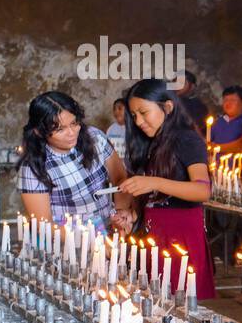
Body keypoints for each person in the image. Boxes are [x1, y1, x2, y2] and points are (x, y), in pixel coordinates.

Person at [114, 78, 215, 300]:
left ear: (167, 107)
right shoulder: (151, 143)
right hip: (154, 233)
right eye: (134, 115)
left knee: (178, 304)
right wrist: (132, 215)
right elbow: (156, 200)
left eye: (143, 112)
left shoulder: (186, 139)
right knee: (153, 302)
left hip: (181, 235)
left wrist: (154, 182)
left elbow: (202, 191)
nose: (138, 121)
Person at [19, 91, 129, 230]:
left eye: (74, 123)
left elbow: (120, 179)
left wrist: (120, 215)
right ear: (39, 131)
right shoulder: (33, 167)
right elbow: (44, 223)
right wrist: (90, 241)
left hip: (109, 231)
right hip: (69, 244)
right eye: (60, 129)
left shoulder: (95, 137)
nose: (71, 133)